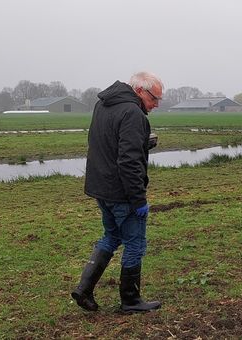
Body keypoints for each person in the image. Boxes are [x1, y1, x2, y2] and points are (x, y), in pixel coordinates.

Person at [71, 71, 163, 313]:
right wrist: (138, 199)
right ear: (140, 91)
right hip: (122, 192)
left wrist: (142, 142)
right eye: (154, 98)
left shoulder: (102, 104)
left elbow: (106, 143)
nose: (155, 105)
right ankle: (130, 301)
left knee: (111, 236)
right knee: (135, 243)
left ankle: (84, 289)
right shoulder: (133, 113)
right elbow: (129, 161)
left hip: (102, 188)